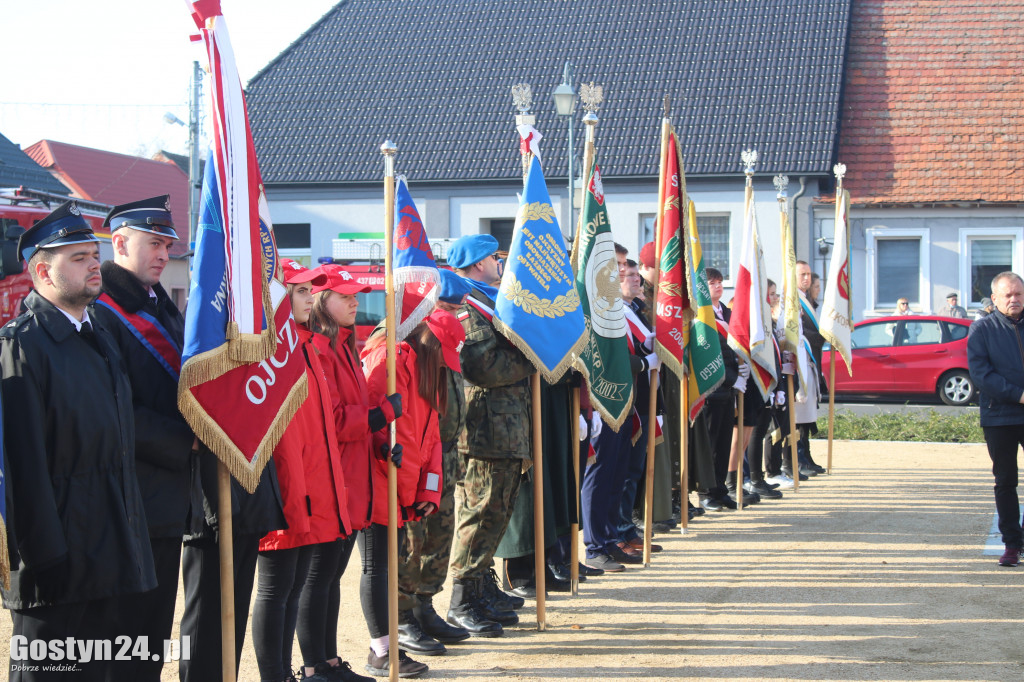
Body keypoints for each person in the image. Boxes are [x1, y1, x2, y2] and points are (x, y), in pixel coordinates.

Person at [0, 201, 156, 681]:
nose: (95, 264)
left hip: (108, 554)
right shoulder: (21, 345)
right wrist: (48, 561)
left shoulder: (99, 336)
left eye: (94, 253)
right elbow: (22, 468)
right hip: (57, 569)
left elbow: (117, 451)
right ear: (44, 272)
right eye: (79, 257)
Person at [88, 196, 198, 681]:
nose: (163, 253)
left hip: (166, 496)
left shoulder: (160, 307)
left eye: (167, 244)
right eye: (153, 243)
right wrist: (185, 440)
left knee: (153, 631)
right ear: (119, 243)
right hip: (127, 494)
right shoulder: (102, 313)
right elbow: (111, 408)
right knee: (123, 634)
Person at [252, 260, 371, 682]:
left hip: (314, 484)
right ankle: (283, 674)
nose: (306, 298)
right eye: (298, 290)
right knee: (277, 588)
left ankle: (308, 668)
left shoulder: (306, 345)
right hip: (287, 487)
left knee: (297, 586)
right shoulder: (275, 348)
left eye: (308, 290)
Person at [306, 265, 412, 678]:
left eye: (355, 295)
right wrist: (377, 416)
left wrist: (381, 442)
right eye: (345, 295)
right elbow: (330, 420)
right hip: (332, 481)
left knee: (331, 578)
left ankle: (330, 659)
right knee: (317, 578)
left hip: (350, 480)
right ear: (321, 301)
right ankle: (315, 665)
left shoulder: (345, 345)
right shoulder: (320, 348)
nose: (355, 301)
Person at [363, 308, 464, 667]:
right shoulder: (394, 363)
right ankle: (391, 636)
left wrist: (429, 490)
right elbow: (378, 428)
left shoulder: (428, 374)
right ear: (429, 341)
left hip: (410, 486)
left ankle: (412, 618)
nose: (445, 365)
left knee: (408, 556)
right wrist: (403, 485)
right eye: (443, 355)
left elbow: (433, 438)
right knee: (386, 566)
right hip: (383, 483)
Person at [447, 234, 534, 636]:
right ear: (479, 263)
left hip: (507, 427)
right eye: (496, 257)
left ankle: (481, 587)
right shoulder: (468, 307)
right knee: (479, 514)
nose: (502, 263)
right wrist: (531, 355)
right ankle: (463, 599)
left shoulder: (490, 301)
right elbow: (483, 367)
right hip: (484, 431)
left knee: (498, 511)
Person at [394, 271, 473, 655]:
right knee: (411, 544)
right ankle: (402, 616)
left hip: (441, 462)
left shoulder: (439, 364)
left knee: (438, 539)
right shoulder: (408, 362)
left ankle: (425, 606)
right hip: (413, 465)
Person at [967, 272, 1024, 567]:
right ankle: (1012, 544)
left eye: (1018, 294)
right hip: (999, 415)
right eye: (1008, 295)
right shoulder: (981, 330)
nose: (1014, 299)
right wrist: (1019, 395)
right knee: (1005, 481)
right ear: (995, 299)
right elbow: (981, 374)